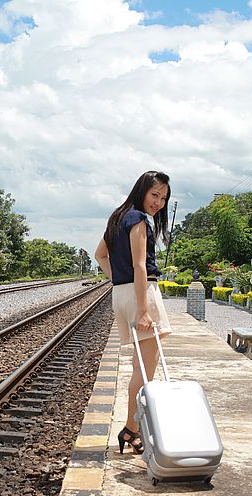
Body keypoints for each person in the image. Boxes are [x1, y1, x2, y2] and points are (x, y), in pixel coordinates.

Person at [94, 171, 173, 454]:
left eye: (163, 198)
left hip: (122, 294)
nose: (159, 203)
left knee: (138, 367)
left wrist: (118, 279)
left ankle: (133, 427)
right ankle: (131, 428)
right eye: (155, 195)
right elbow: (141, 266)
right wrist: (143, 310)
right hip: (142, 295)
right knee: (145, 370)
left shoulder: (117, 217)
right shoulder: (138, 219)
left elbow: (99, 254)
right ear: (142, 190)